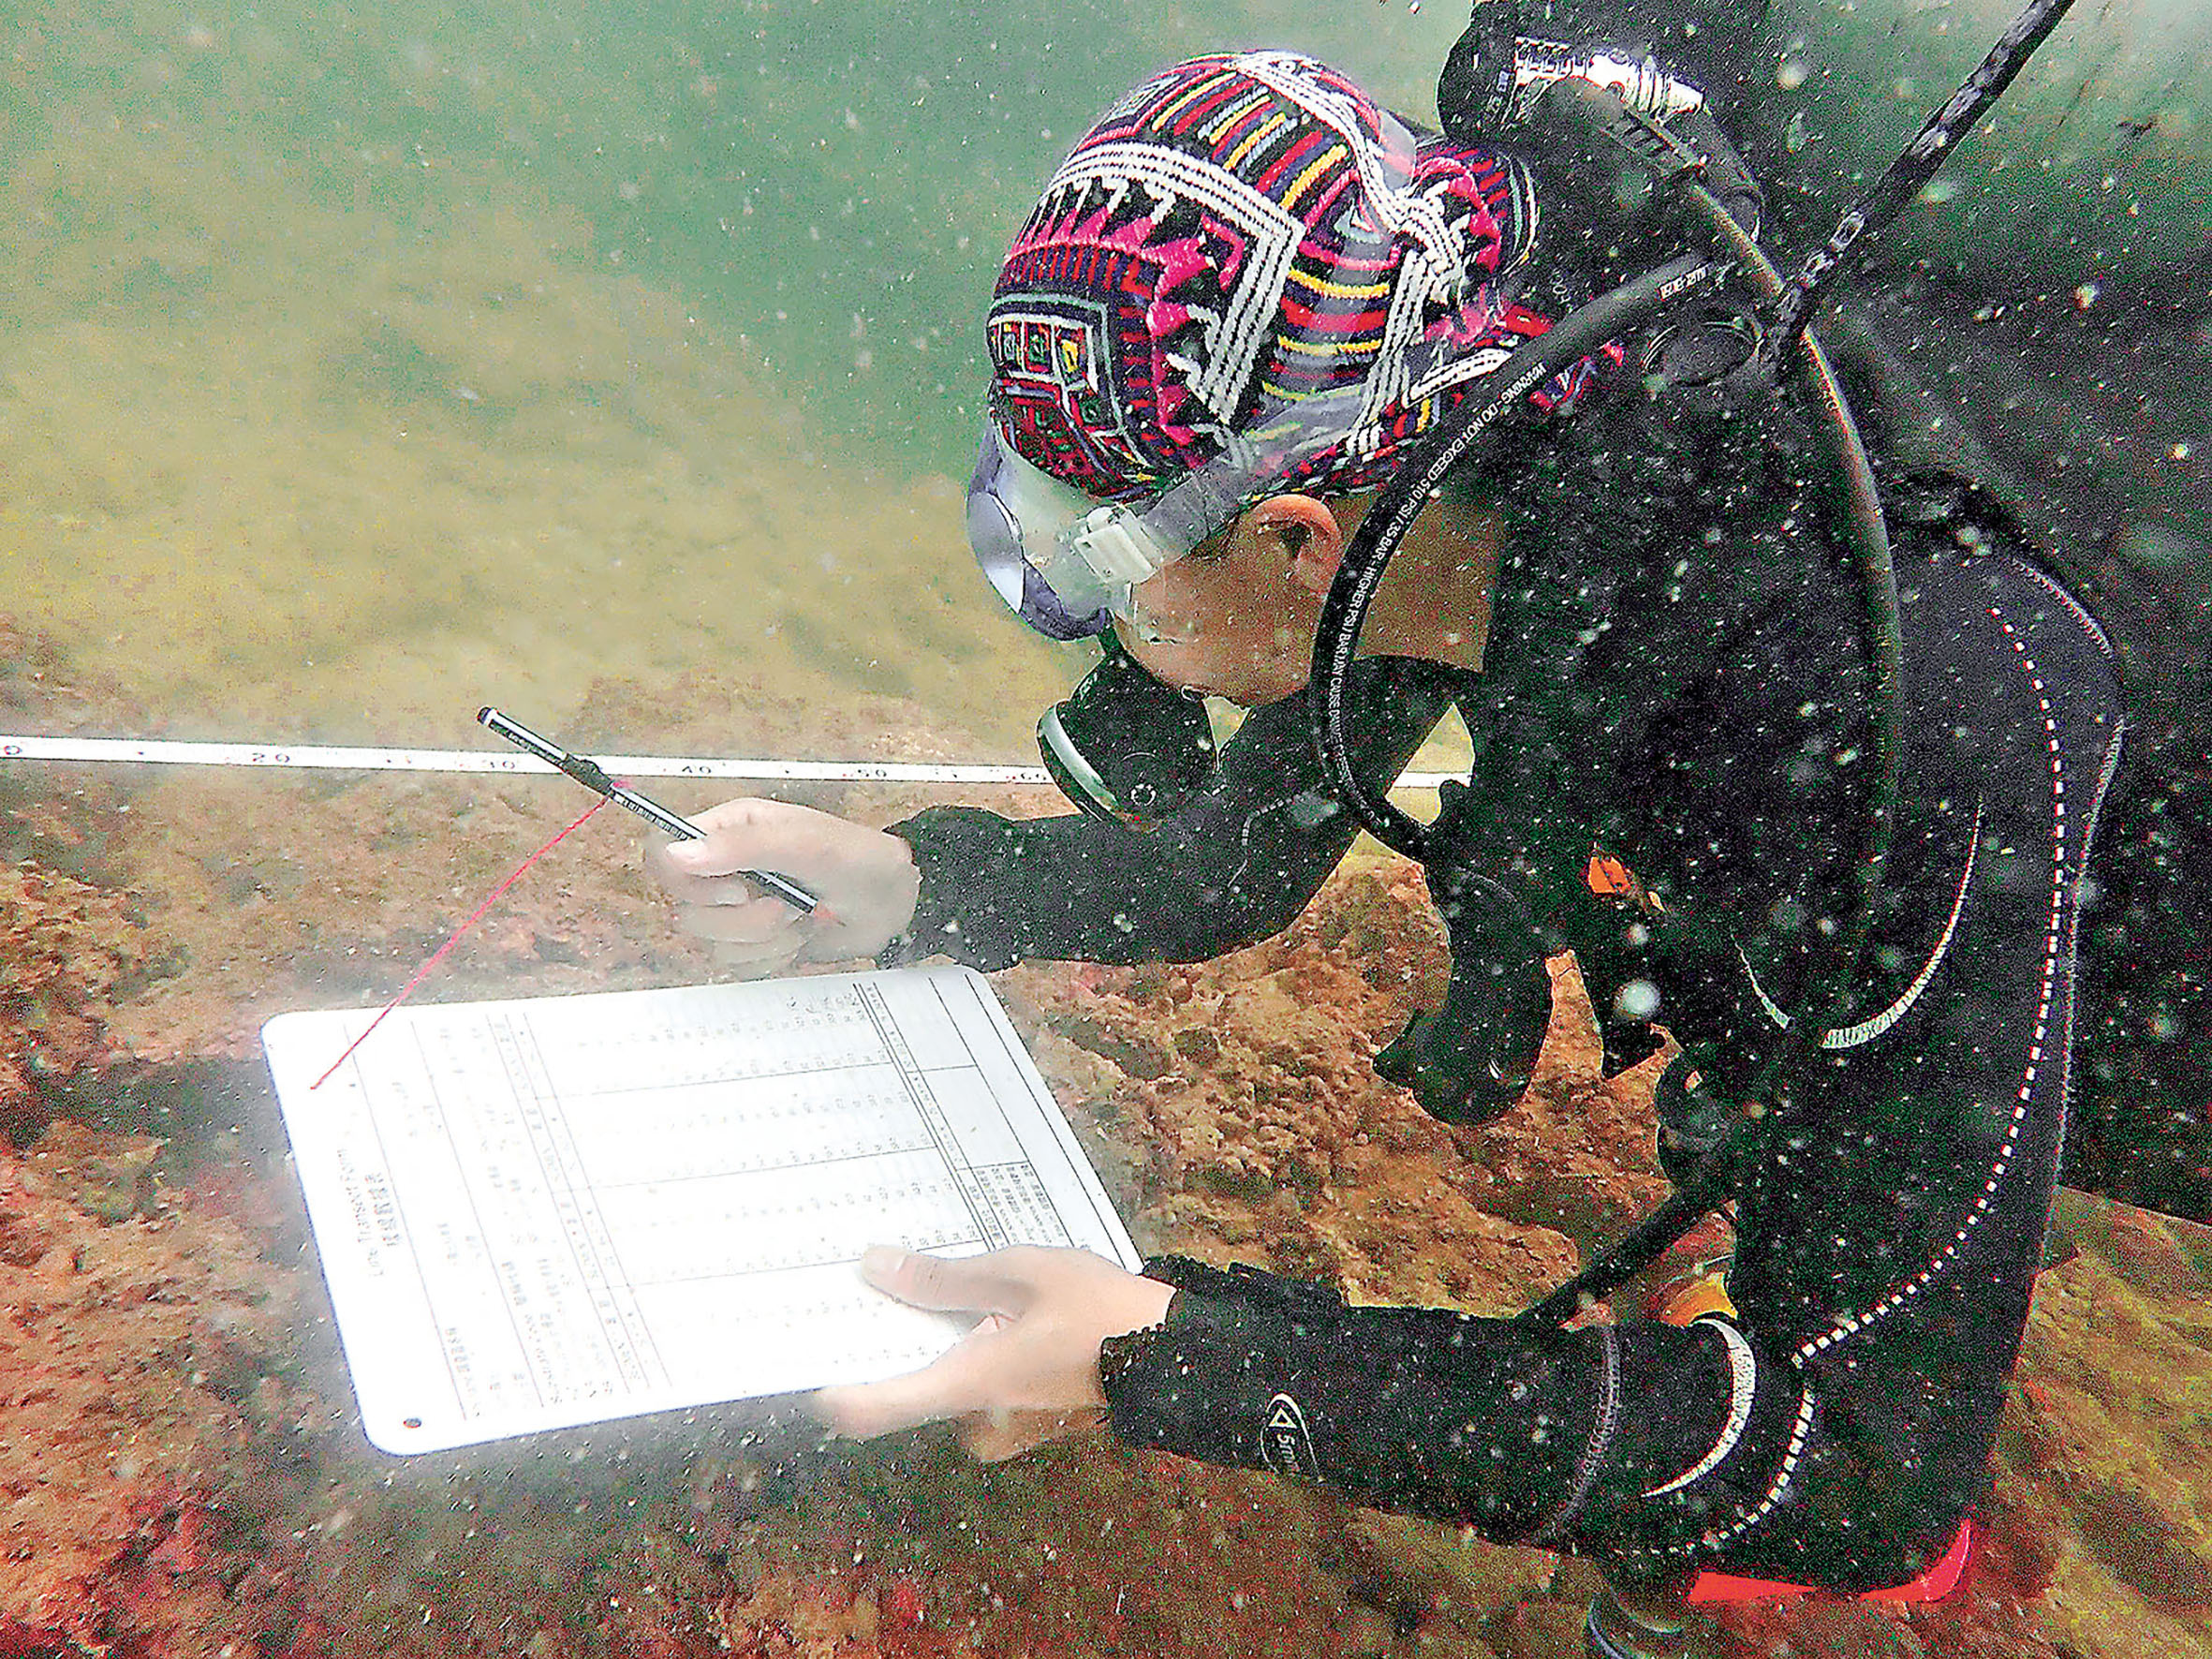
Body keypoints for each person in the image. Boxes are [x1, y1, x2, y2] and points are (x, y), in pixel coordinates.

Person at [646, 49, 2126, 1654]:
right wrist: (915, 884)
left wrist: (1158, 1356)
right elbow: (1216, 871)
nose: (1095, 632)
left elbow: (1857, 1482)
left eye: (1097, 572)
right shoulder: (1478, 467)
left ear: (1292, 542)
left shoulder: (1907, 692)